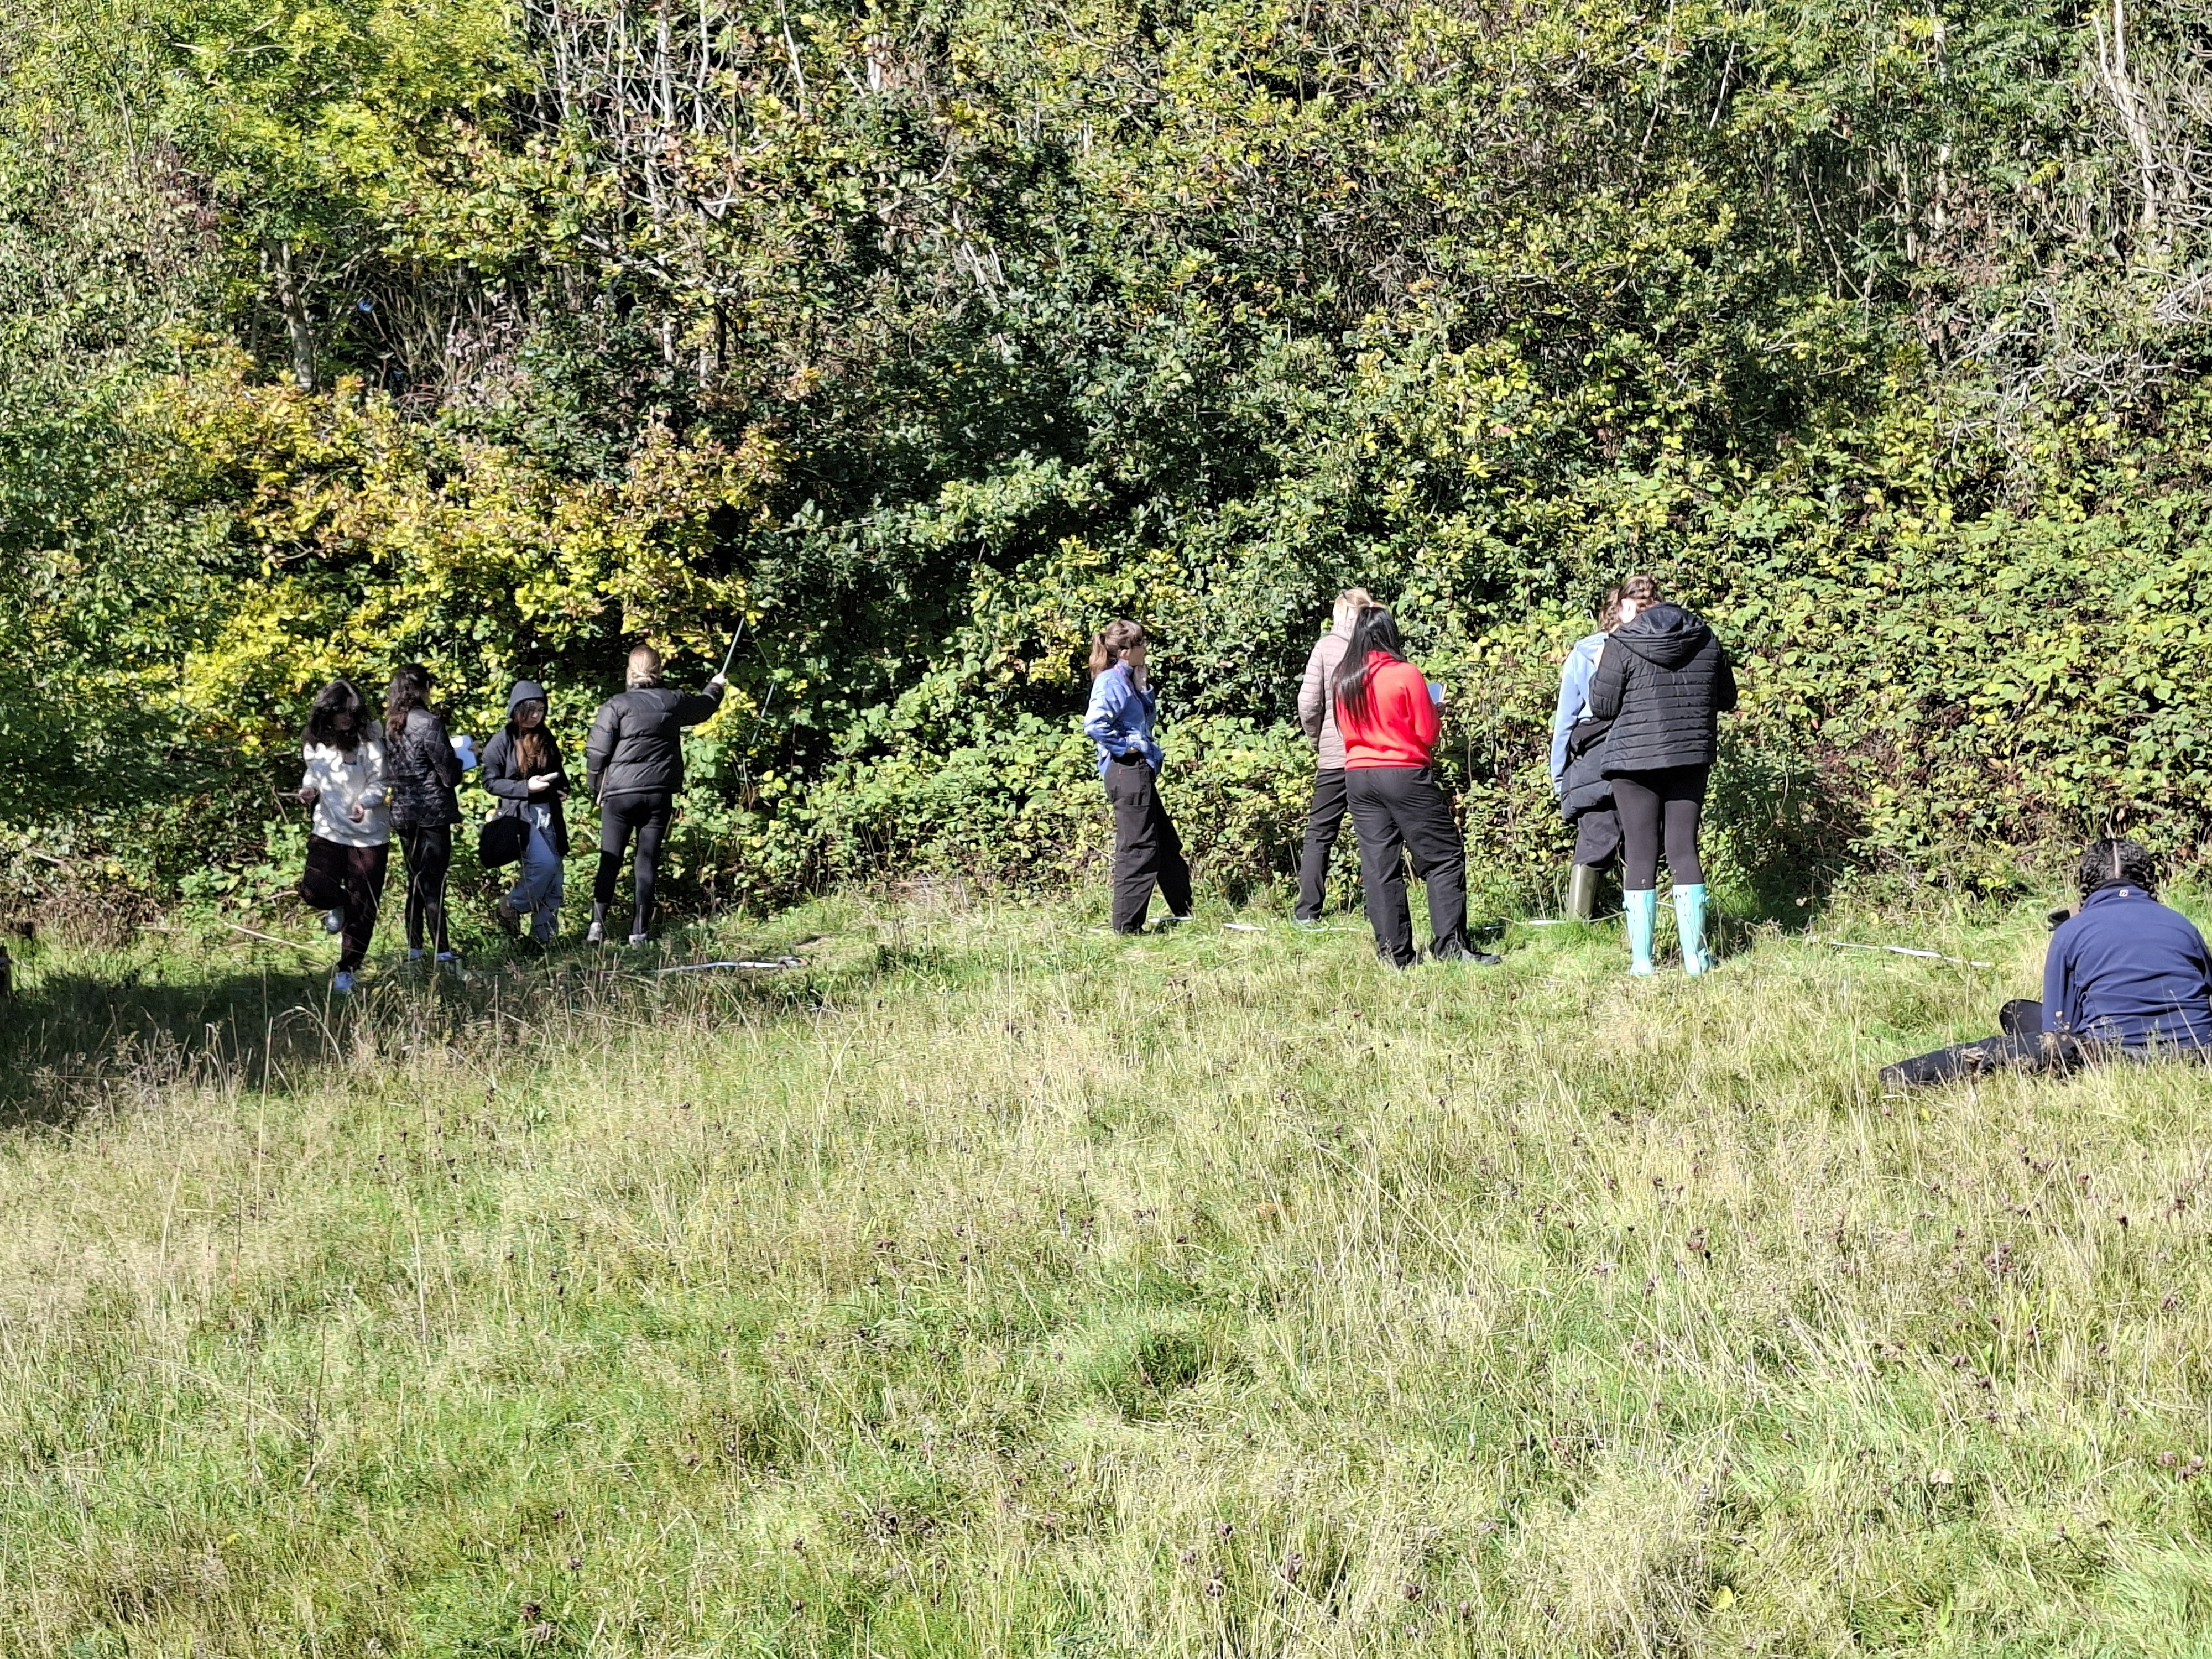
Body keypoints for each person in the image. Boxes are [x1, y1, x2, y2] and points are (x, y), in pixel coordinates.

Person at [1882, 838, 2212, 1088]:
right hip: (2198, 1052)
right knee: (2018, 1013)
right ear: (2150, 882)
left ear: (2084, 887)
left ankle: (1901, 1077)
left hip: (2112, 1054)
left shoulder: (2070, 933)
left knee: (2016, 1018)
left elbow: (2057, 1031)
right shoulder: (2184, 926)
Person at [1586, 576, 1737, 975]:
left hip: (1633, 760)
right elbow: (1727, 697)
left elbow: (1602, 706)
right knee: (1684, 848)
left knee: (1641, 852)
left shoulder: (1621, 642)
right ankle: (1696, 959)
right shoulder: (1705, 636)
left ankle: (1643, 962)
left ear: (1632, 607)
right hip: (1689, 756)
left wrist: (1603, 664)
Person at [1331, 606, 1494, 968]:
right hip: (1403, 773)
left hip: (1358, 776)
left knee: (1380, 867)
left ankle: (1395, 955)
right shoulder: (1405, 673)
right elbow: (1427, 733)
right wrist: (1436, 709)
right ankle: (1450, 946)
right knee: (1443, 856)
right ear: (1390, 633)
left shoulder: (1344, 678)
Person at [583, 645, 726, 945]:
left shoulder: (616, 705)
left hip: (620, 794)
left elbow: (597, 751)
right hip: (658, 793)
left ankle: (597, 927)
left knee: (610, 859)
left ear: (629, 671)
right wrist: (715, 686)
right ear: (659, 669)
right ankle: (639, 932)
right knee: (646, 862)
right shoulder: (672, 700)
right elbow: (704, 708)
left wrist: (596, 787)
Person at [1083, 619, 1193, 934]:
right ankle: (1127, 927)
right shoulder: (1110, 681)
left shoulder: (1128, 679)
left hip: (1139, 770)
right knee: (1139, 848)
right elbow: (1094, 724)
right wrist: (1125, 747)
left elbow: (1143, 720)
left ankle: (1184, 912)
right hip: (1126, 770)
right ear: (1127, 650)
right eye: (1142, 643)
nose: (1146, 649)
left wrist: (1144, 688)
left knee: (1165, 843)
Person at [296, 679, 389, 994]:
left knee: (363, 907)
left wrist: (365, 803)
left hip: (369, 836)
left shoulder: (370, 741)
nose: (347, 719)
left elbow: (381, 781)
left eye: (352, 712)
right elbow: (314, 773)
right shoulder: (315, 741)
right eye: (341, 712)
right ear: (327, 712)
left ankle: (348, 969)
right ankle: (338, 905)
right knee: (314, 889)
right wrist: (310, 790)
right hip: (328, 829)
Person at [1293, 587, 1372, 924]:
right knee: (1375, 835)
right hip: (1370, 754)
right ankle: (1376, 908)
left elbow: (1309, 703)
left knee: (1320, 833)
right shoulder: (1375, 647)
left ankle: (1307, 911)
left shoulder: (1326, 647)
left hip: (1334, 756)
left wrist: (1318, 740)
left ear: (1338, 615)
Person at [383, 663, 467, 970]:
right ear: (422, 689)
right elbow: (448, 774)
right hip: (432, 812)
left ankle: (415, 949)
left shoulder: (389, 726)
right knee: (434, 883)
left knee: (415, 881)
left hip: (404, 812)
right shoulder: (429, 723)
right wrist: (464, 758)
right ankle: (443, 951)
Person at [1551, 588, 1625, 921]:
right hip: (1634, 753)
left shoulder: (1582, 653)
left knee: (1595, 839)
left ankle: (1577, 923)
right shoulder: (1647, 651)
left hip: (1591, 757)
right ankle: (1635, 921)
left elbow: (1565, 720)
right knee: (1643, 841)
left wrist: (1559, 776)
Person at [481, 680, 570, 945]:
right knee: (545, 865)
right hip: (520, 816)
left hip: (549, 812)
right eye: (530, 710)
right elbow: (490, 782)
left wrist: (562, 788)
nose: (536, 716)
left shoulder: (545, 737)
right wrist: (525, 788)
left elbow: (558, 770)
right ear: (517, 710)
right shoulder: (502, 741)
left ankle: (544, 940)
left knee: (555, 877)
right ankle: (511, 906)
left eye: (541, 710)